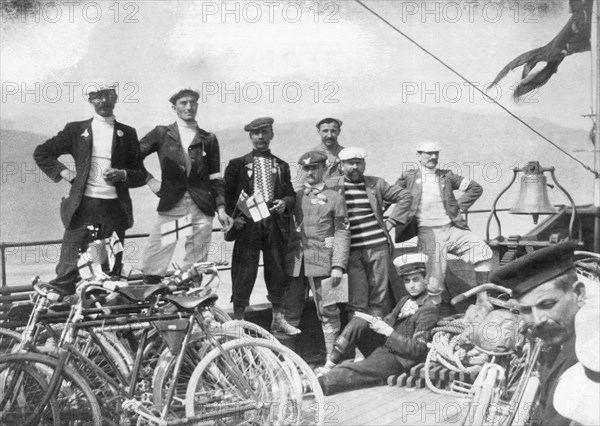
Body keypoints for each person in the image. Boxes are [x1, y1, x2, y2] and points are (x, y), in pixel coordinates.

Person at [33, 80, 146, 295]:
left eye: (108, 95)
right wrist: (67, 174)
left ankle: (113, 325)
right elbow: (42, 152)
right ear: (90, 100)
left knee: (110, 271)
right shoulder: (76, 130)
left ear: (116, 98)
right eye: (97, 96)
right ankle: (58, 322)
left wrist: (122, 174)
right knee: (67, 270)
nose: (103, 100)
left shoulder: (127, 133)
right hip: (82, 209)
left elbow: (139, 174)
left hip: (114, 211)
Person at [138, 88, 232, 284]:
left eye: (193, 102)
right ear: (174, 107)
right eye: (183, 103)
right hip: (174, 206)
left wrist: (221, 209)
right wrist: (149, 180)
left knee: (195, 264)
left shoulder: (209, 139)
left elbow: (215, 178)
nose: (189, 107)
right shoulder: (162, 133)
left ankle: (191, 306)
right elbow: (131, 157)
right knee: (155, 258)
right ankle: (152, 307)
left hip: (201, 207)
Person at [489, 241, 587, 426]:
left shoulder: (588, 358)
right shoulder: (560, 341)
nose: (537, 319)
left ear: (579, 294)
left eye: (547, 305)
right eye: (526, 310)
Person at [316, 253, 439, 395]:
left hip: (399, 359)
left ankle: (320, 383)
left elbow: (417, 349)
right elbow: (389, 321)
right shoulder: (405, 300)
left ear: (425, 280)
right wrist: (375, 322)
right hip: (385, 346)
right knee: (359, 321)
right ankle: (329, 364)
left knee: (359, 369)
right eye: (407, 281)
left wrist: (388, 332)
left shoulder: (428, 310)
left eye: (416, 279)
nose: (411, 285)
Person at [395, 141, 492, 305]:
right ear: (418, 156)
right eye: (428, 153)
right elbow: (392, 195)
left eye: (436, 153)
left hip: (453, 229)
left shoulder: (447, 176)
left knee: (482, 251)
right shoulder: (409, 177)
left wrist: (458, 207)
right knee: (433, 281)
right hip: (428, 233)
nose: (433, 157)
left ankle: (482, 298)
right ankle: (431, 317)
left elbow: (475, 188)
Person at [224, 117, 296, 329]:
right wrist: (233, 218)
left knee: (277, 268)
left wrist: (285, 203)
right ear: (250, 136)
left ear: (271, 134)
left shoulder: (281, 165)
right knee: (244, 270)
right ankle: (239, 320)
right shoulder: (237, 164)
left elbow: (291, 194)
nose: (261, 137)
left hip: (273, 223)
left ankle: (278, 318)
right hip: (248, 225)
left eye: (265, 132)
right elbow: (225, 196)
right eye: (256, 133)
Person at [330, 147, 412, 317]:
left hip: (378, 248)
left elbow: (405, 196)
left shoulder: (376, 184)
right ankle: (358, 339)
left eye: (358, 163)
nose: (355, 167)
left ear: (364, 164)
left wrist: (392, 221)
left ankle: (379, 337)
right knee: (356, 298)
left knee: (379, 296)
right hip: (350, 251)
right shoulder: (332, 187)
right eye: (350, 163)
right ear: (342, 165)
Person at [283, 150, 351, 355]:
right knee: (290, 312)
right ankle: (288, 362)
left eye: (314, 167)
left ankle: (332, 360)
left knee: (329, 311)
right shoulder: (295, 196)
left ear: (323, 168)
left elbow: (342, 232)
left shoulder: (335, 197)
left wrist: (338, 265)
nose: (310, 172)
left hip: (325, 262)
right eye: (306, 168)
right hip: (296, 263)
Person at [294, 117, 345, 190]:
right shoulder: (310, 156)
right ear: (318, 131)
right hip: (316, 198)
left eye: (333, 131)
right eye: (325, 131)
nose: (329, 135)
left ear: (339, 131)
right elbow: (300, 186)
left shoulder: (346, 155)